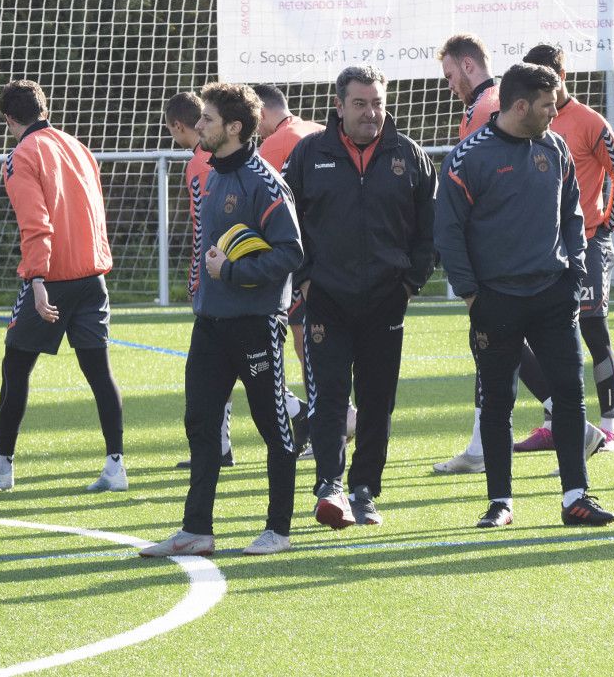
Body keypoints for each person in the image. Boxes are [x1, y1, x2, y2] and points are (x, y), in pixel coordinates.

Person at [434, 62, 614, 528]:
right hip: (495, 300)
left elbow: (572, 215)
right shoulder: (467, 158)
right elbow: (448, 232)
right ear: (519, 106)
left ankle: (575, 497)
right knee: (497, 402)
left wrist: (574, 272)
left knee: (570, 394)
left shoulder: (554, 148)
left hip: (553, 295)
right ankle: (500, 502)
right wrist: (473, 294)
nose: (555, 114)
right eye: (547, 106)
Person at [142, 82, 304, 557]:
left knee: (272, 425)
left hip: (255, 323)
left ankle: (278, 529)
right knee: (200, 420)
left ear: (234, 127)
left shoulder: (265, 182)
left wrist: (232, 271)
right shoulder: (211, 174)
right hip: (211, 323)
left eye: (208, 119)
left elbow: (291, 253)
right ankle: (197, 530)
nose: (200, 126)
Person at [282, 65, 436, 528]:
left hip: (387, 300)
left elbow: (429, 231)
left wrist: (411, 283)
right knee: (328, 397)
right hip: (326, 299)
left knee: (376, 400)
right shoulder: (310, 154)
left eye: (377, 103)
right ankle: (329, 485)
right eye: (360, 104)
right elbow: (287, 224)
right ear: (339, 106)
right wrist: (306, 280)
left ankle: (365, 489)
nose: (371, 113)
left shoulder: (410, 156)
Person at [0, 80, 125, 493]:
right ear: (44, 108)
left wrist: (36, 280)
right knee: (99, 372)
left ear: (10, 120)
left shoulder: (22, 155)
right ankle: (115, 467)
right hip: (93, 277)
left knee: (15, 365)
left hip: (53, 278)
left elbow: (36, 223)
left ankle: (1, 465)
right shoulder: (77, 146)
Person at [507, 44, 614, 463]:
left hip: (586, 244)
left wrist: (605, 227)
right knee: (538, 334)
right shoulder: (527, 120)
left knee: (593, 331)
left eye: (551, 77)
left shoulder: (588, 122)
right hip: (542, 248)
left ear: (564, 75)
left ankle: (610, 427)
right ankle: (555, 423)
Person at [250, 83, 354, 459]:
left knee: (306, 340)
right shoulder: (311, 129)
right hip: (340, 255)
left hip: (304, 260)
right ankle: (340, 415)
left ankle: (333, 419)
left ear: (260, 113)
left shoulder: (274, 146)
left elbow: (266, 205)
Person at [163, 91, 237, 469]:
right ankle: (221, 447)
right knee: (232, 362)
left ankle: (299, 412)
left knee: (214, 367)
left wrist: (196, 279)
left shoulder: (199, 164)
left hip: (216, 277)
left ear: (180, 126)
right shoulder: (223, 158)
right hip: (234, 269)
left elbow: (202, 230)